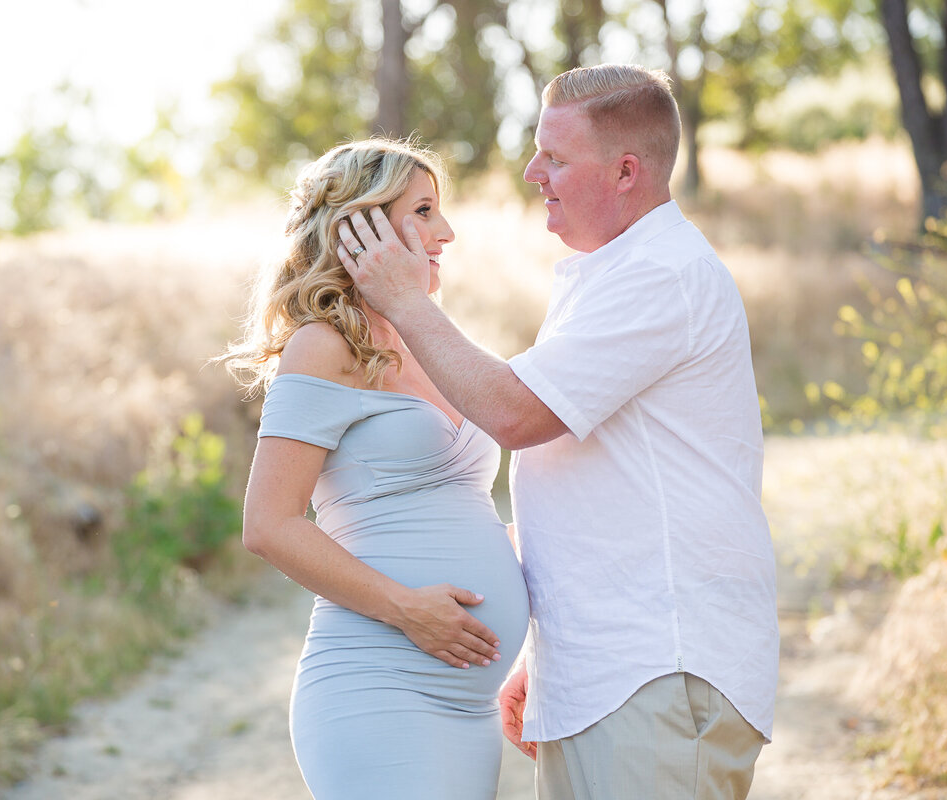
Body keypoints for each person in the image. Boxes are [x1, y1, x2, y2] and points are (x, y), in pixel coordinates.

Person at [337, 64, 780, 799]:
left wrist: (403, 302)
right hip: (609, 678)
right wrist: (541, 655)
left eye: (556, 157)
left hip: (659, 677)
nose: (531, 170)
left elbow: (514, 415)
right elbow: (597, 488)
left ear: (625, 171)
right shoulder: (610, 276)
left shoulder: (661, 275)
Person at [227, 137, 530, 799]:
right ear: (359, 227)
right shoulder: (323, 346)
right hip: (379, 687)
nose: (445, 231)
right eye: (423, 211)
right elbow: (269, 525)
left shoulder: (430, 337)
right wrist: (406, 609)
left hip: (468, 706)